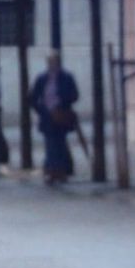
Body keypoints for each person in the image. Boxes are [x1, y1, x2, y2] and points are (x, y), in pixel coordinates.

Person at [30, 51, 80, 186]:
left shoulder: (67, 77)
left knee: (60, 142)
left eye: (54, 61)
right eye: (50, 62)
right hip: (47, 116)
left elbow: (74, 95)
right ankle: (52, 170)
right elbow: (33, 97)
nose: (52, 64)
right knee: (50, 143)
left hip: (61, 114)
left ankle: (59, 170)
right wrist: (42, 110)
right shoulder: (42, 78)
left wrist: (62, 102)